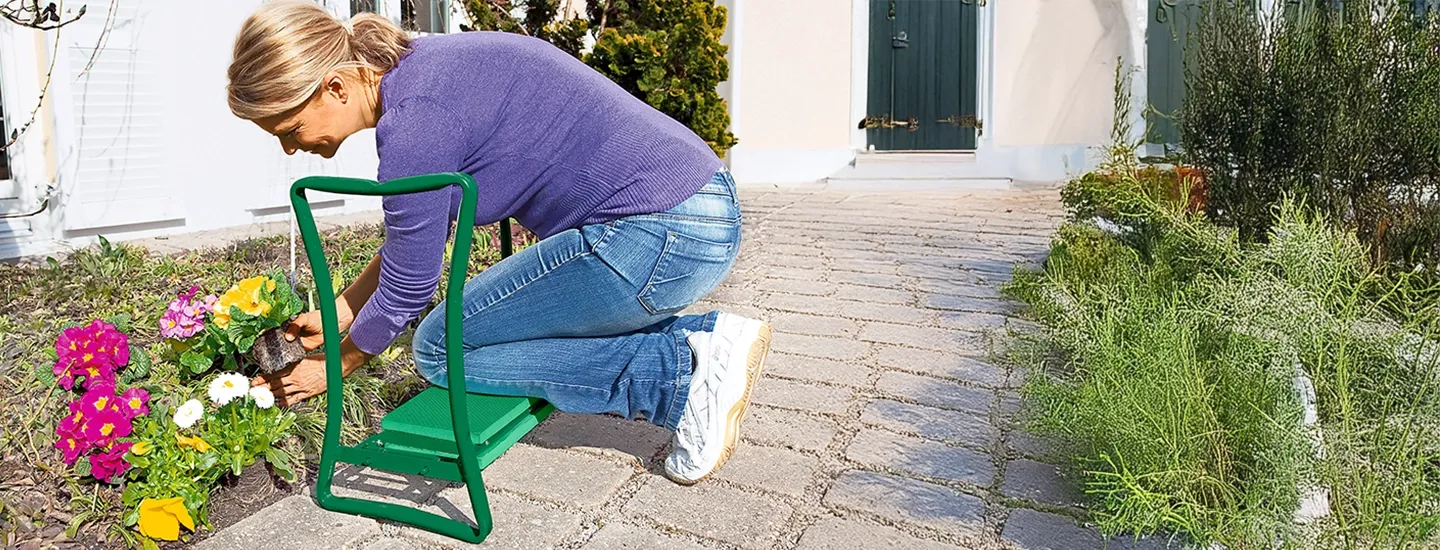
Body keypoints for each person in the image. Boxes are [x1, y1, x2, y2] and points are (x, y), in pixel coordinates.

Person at [227, 0, 770, 485]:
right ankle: (705, 340)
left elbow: (412, 285)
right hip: (693, 209)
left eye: (289, 129)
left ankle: (675, 373)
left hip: (656, 235)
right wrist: (345, 308)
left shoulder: (416, 125)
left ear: (336, 88)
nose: (293, 149)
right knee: (467, 333)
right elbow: (417, 237)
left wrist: (336, 364)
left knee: (438, 349)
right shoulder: (425, 70)